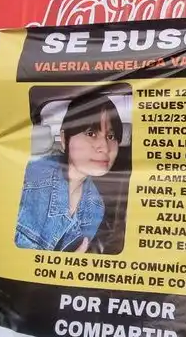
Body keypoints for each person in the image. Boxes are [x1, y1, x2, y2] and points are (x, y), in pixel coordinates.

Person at [15, 92, 122, 252]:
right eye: (91, 133)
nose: (105, 147)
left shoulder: (96, 207)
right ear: (65, 139)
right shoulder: (29, 176)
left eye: (111, 136)